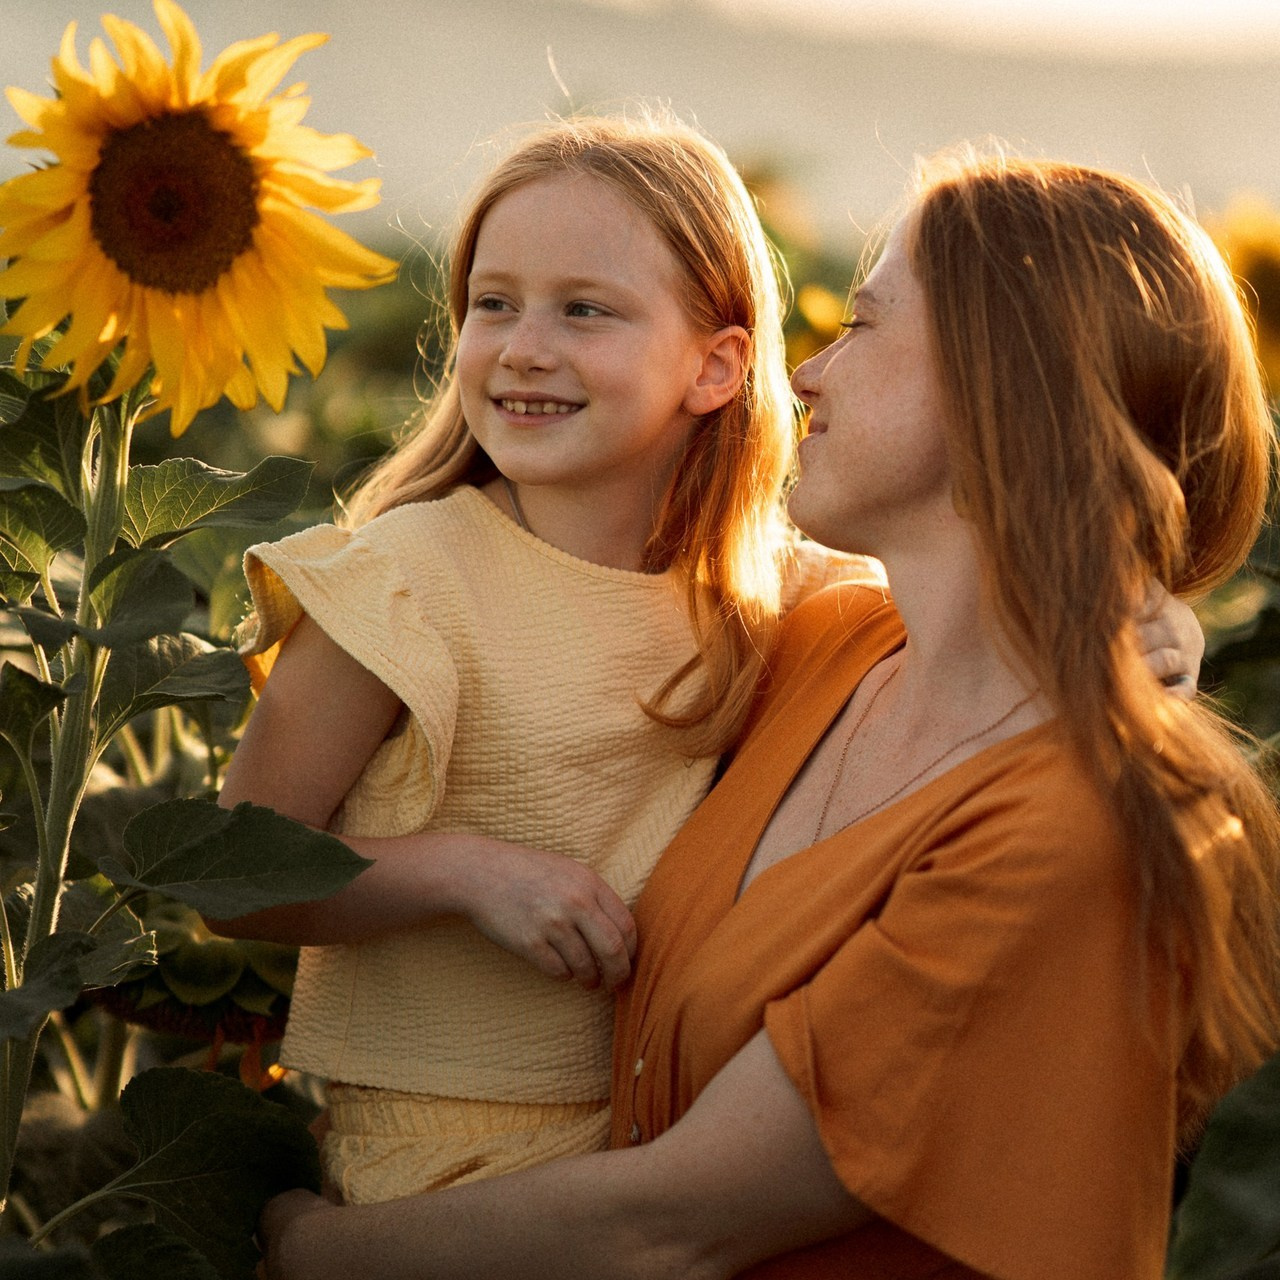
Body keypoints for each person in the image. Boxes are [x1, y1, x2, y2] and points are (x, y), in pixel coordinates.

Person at [258, 149, 1278, 1280]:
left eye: (864, 324)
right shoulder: (815, 651)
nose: (807, 375)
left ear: (999, 387)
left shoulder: (1071, 831)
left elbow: (673, 1225)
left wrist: (305, 1246)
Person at [214, 112, 887, 1204]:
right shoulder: (403, 582)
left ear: (716, 365)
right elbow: (229, 872)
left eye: (584, 309)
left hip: (677, 1125)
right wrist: (466, 873)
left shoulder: (774, 595)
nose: (523, 346)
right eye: (493, 303)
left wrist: (1149, 632)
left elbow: (971, 629)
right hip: (443, 1158)